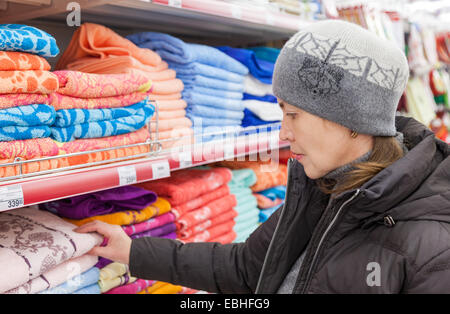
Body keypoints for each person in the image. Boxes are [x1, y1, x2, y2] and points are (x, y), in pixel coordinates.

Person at [75, 20, 450, 293]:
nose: (283, 133)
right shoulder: (328, 190)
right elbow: (247, 268)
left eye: (293, 114)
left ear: (349, 120)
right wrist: (134, 250)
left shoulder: (432, 246)